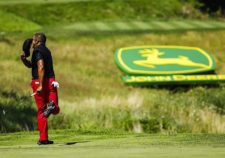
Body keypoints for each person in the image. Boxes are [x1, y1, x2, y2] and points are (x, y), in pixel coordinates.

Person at [20, 32, 60, 145]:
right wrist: (24, 60)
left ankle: (43, 139)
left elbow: (41, 67)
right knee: (56, 109)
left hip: (39, 82)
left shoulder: (37, 51)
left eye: (33, 40)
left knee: (42, 111)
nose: (32, 42)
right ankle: (52, 106)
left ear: (37, 41)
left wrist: (40, 85)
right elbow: (33, 65)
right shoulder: (47, 51)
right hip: (51, 82)